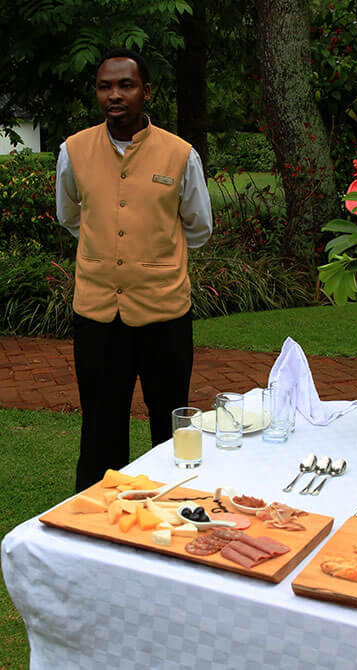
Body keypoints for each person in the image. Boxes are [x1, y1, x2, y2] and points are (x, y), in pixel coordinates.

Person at [56, 48, 213, 491]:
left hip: (164, 314)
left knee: (170, 428)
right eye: (106, 86)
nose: (115, 95)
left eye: (126, 85)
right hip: (97, 316)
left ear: (146, 91)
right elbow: (72, 216)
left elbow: (198, 227)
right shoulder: (74, 151)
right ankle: (95, 522)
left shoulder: (180, 154)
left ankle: (176, 513)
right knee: (100, 431)